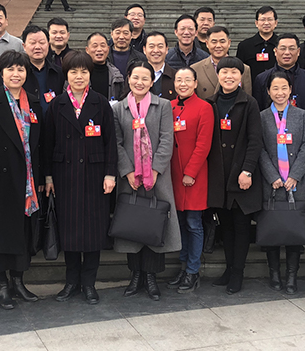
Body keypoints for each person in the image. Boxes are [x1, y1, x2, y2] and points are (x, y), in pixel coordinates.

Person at [44, 51, 118, 305]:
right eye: (73, 72)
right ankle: (71, 281)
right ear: (66, 75)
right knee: (70, 231)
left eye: (83, 72)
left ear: (89, 74)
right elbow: (48, 144)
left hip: (95, 177)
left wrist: (110, 173)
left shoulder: (100, 103)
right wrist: (48, 176)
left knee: (94, 232)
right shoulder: (57, 105)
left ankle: (89, 283)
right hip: (65, 177)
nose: (78, 76)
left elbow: (111, 142)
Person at [0, 50, 42, 310]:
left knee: (22, 233)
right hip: (1, 182)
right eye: (11, 69)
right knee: (0, 233)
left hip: (27, 181)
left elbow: (40, 144)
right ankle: (2, 284)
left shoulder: (33, 103)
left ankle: (18, 281)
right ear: (1, 72)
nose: (16, 74)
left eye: (20, 69)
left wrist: (43, 176)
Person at [112, 61, 181, 301]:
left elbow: (166, 139)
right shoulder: (119, 108)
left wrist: (155, 170)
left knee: (154, 223)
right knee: (132, 224)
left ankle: (151, 277)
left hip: (157, 177)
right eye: (135, 77)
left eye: (145, 78)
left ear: (152, 82)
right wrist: (128, 171)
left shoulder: (162, 105)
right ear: (128, 79)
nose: (139, 82)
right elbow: (117, 143)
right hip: (130, 178)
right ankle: (135, 275)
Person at [258, 71, 305, 294]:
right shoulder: (262, 116)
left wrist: (295, 175)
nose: (280, 92)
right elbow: (260, 149)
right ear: (268, 91)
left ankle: (292, 276)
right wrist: (272, 176)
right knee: (272, 230)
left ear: (290, 90)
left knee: (296, 230)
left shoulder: (302, 115)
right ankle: (274, 274)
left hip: (297, 181)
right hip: (273, 183)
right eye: (275, 88)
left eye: (284, 88)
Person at [207, 57, 263, 294]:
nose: (229, 76)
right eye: (224, 72)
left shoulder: (249, 103)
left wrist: (247, 170)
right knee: (226, 227)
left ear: (241, 76)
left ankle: (238, 272)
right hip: (219, 176)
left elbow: (255, 140)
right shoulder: (210, 103)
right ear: (218, 75)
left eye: (234, 72)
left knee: (241, 227)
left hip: (240, 175)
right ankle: (229, 269)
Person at [167, 67, 214, 293]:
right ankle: (184, 266)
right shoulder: (169, 106)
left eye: (187, 80)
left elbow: (203, 144)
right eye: (179, 80)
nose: (183, 84)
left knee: (194, 224)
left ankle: (193, 271)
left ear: (195, 83)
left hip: (193, 177)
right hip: (172, 176)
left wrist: (191, 172)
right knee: (180, 224)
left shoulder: (204, 108)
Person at [253, 33, 305, 113]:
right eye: (283, 48)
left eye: (291, 49)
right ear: (275, 51)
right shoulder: (262, 79)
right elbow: (258, 110)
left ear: (298, 51)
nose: (287, 52)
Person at [191, 26, 252, 99]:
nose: (218, 46)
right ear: (207, 43)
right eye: (214, 42)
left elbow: (247, 98)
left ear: (229, 43)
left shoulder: (244, 68)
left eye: (222, 41)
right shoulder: (196, 69)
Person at [21, 25, 64, 114]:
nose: (37, 47)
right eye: (33, 43)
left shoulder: (58, 72)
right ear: (24, 46)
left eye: (42, 42)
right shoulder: (19, 73)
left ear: (48, 45)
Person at [236, 6, 279, 83]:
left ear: (276, 23)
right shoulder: (245, 46)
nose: (266, 23)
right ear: (256, 23)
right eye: (262, 20)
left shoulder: (281, 45)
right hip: (252, 88)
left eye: (270, 19)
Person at [85, 32, 124, 102]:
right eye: (95, 46)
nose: (99, 49)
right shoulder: (79, 74)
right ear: (87, 50)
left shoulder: (116, 74)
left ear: (108, 48)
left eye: (103, 46)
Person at [143, 31, 177, 100]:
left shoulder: (176, 76)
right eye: (151, 46)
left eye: (160, 46)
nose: (156, 50)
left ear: (166, 49)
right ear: (144, 50)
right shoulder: (135, 75)